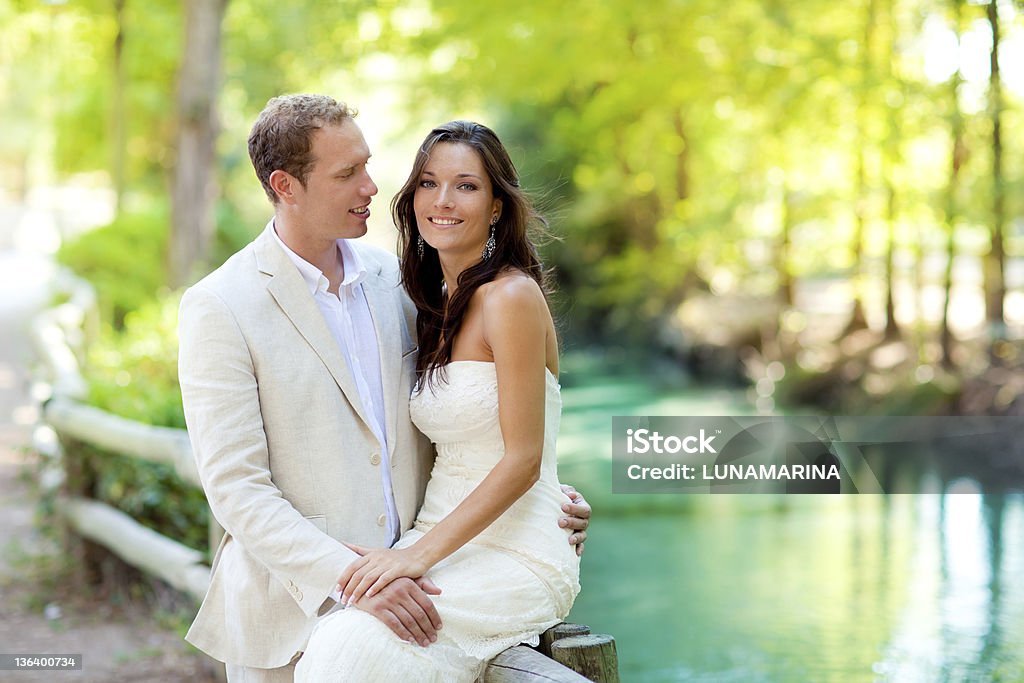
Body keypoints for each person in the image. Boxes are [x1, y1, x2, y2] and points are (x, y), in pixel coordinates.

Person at [177, 96, 591, 682]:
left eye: (368, 166)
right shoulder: (220, 305)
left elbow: (486, 426)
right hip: (292, 608)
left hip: (430, 576)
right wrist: (356, 578)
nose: (372, 185)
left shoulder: (397, 281)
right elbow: (236, 489)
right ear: (285, 185)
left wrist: (548, 492)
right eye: (348, 173)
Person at [296, 121, 581, 682]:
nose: (443, 200)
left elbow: (524, 458)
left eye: (467, 186)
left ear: (498, 205)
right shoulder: (430, 304)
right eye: (428, 183)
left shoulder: (512, 297)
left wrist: (414, 560)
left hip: (514, 552)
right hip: (436, 539)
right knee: (341, 643)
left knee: (357, 650)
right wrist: (411, 553)